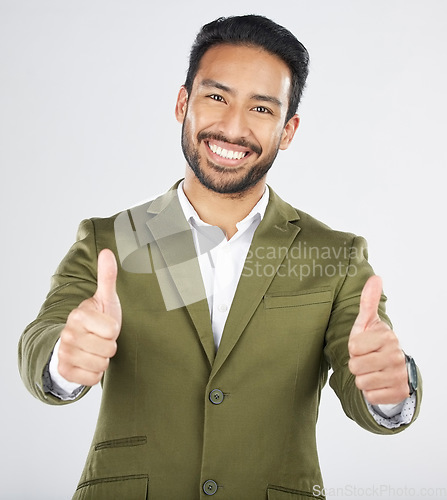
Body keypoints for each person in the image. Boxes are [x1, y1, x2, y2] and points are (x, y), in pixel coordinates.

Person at [18, 14, 421, 500]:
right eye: (216, 97)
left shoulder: (334, 256)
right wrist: (64, 357)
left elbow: (367, 380)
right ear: (182, 103)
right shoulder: (111, 239)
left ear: (288, 130)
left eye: (261, 109)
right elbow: (42, 337)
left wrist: (390, 392)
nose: (233, 128)